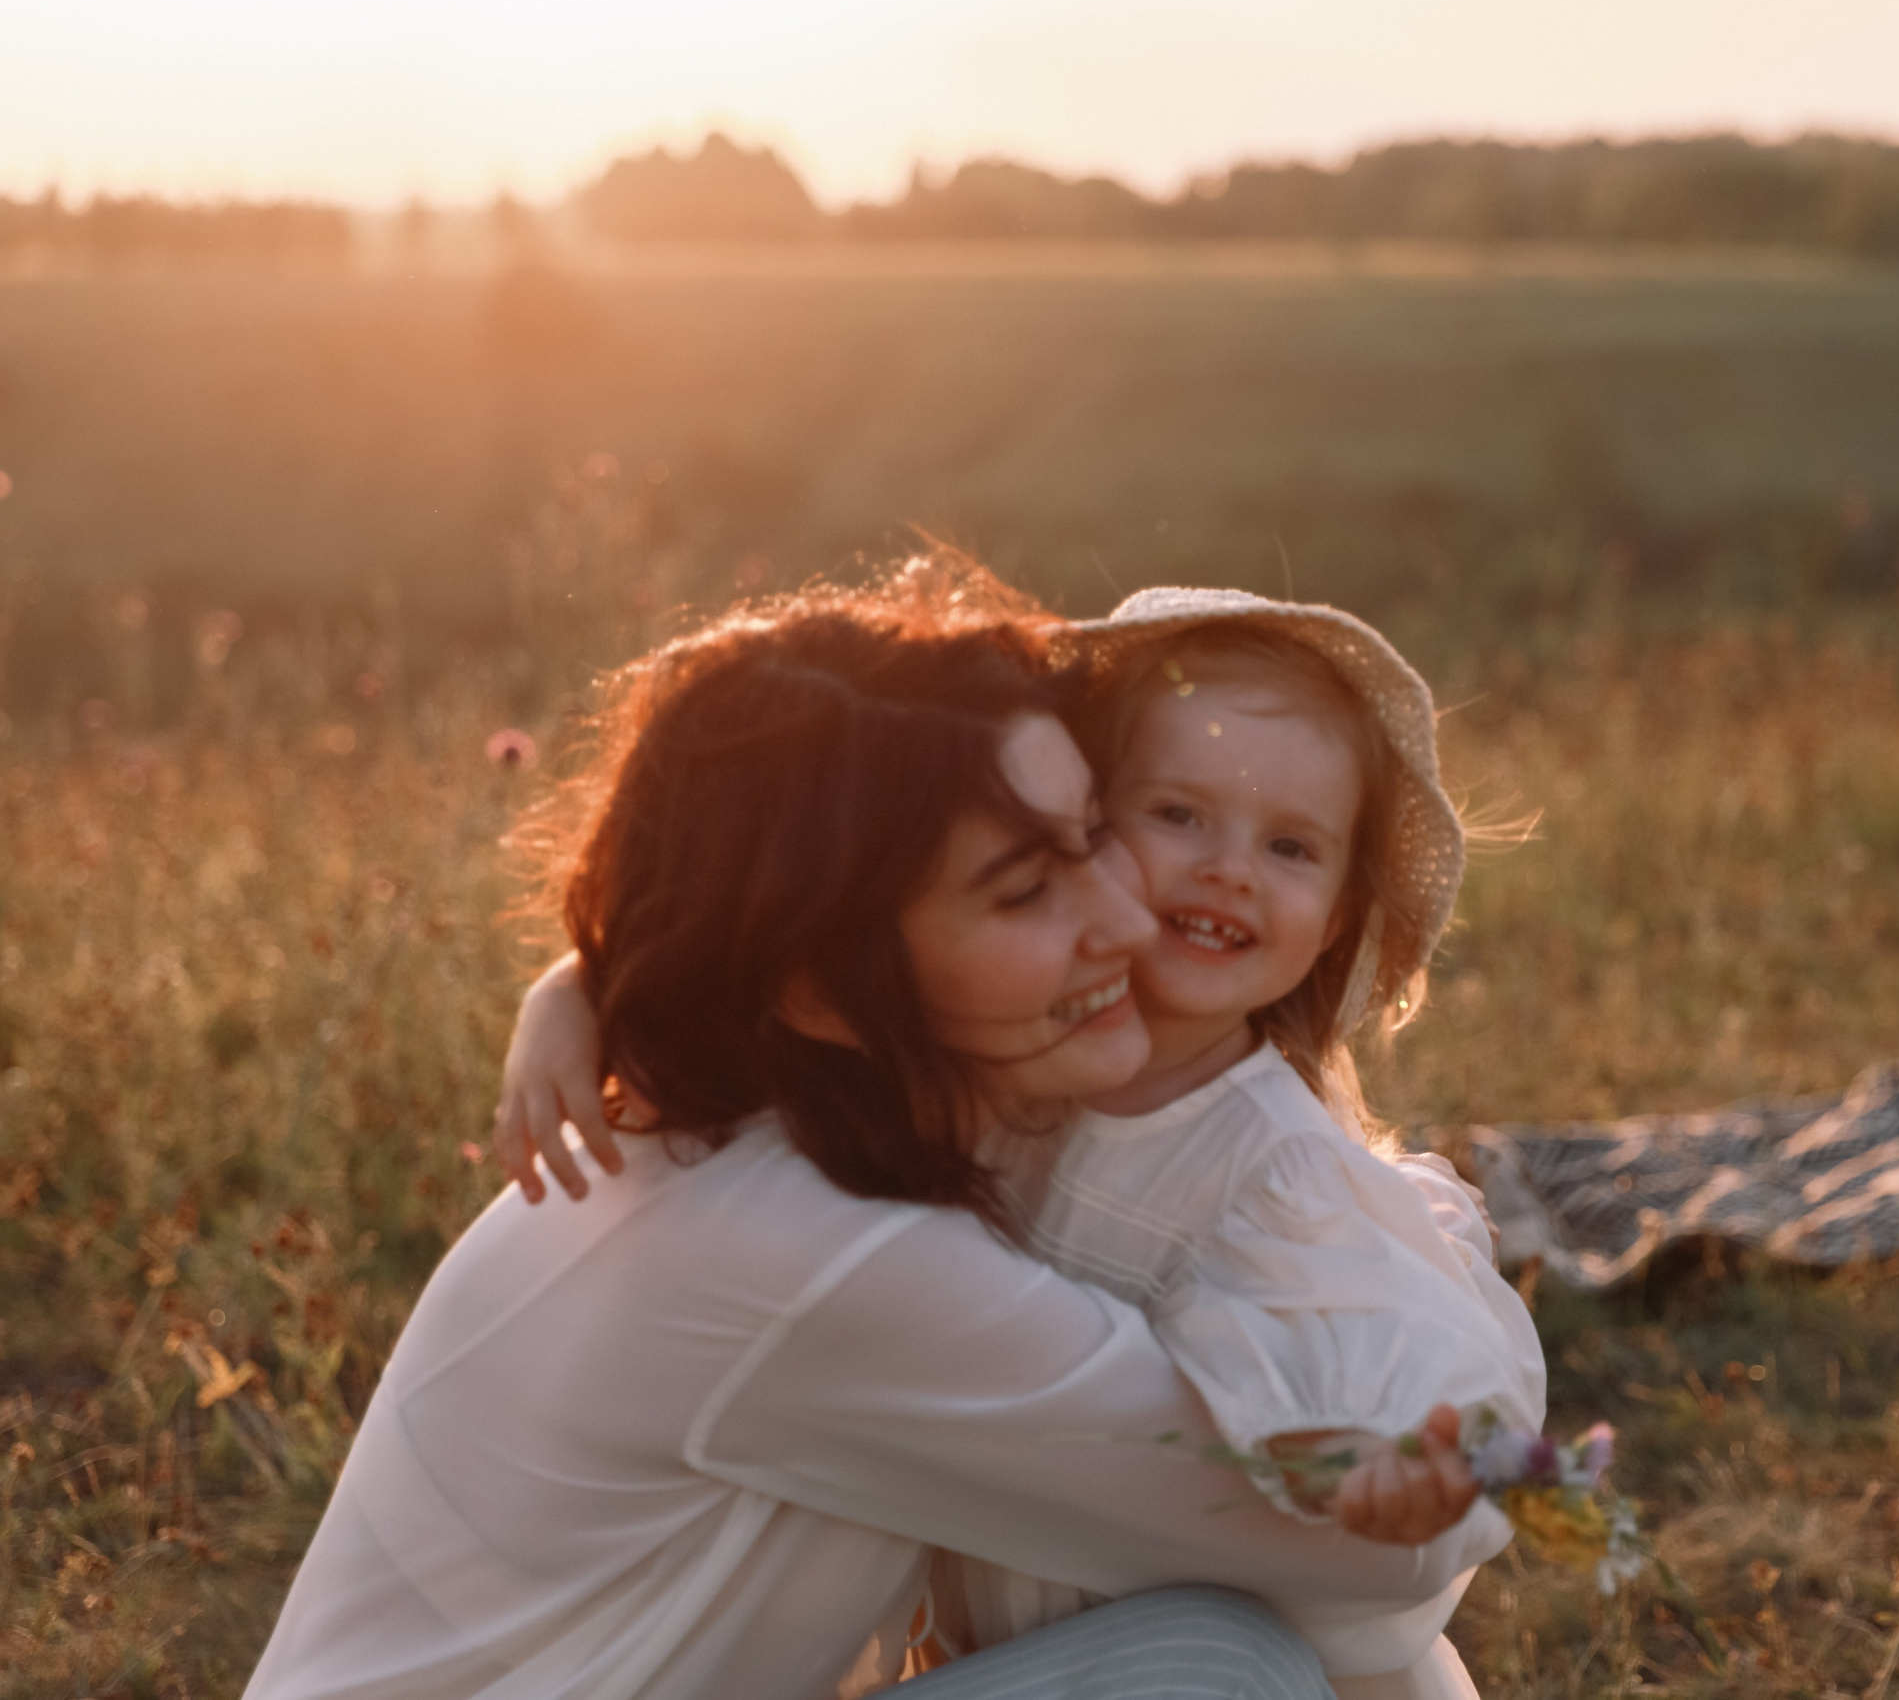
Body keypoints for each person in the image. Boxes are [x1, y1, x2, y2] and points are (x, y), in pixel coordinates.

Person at [244, 566, 1502, 1700]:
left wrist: (590, 979)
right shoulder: (820, 1250)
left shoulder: (772, 1103)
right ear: (822, 980)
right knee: (1220, 1678)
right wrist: (1446, 1264)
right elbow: (1355, 1546)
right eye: (1029, 885)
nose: (1128, 916)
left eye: (1088, 840)